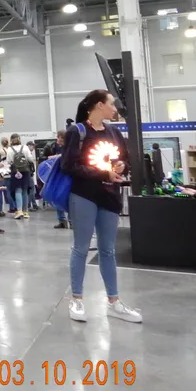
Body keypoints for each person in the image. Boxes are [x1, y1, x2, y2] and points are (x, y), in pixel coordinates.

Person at [63, 89, 141, 324]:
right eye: (111, 104)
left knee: (108, 250)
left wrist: (121, 167)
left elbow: (124, 159)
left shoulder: (114, 132)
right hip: (84, 196)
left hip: (110, 196)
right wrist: (102, 173)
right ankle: (77, 299)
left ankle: (114, 302)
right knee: (81, 248)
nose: (115, 109)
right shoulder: (77, 131)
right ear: (99, 105)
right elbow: (69, 166)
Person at [6, 134, 35, 220]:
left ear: (11, 140)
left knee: (17, 190)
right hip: (25, 171)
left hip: (15, 171)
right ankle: (25, 211)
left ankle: (19, 211)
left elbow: (9, 161)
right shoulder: (25, 147)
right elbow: (30, 159)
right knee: (25, 190)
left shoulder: (10, 149)